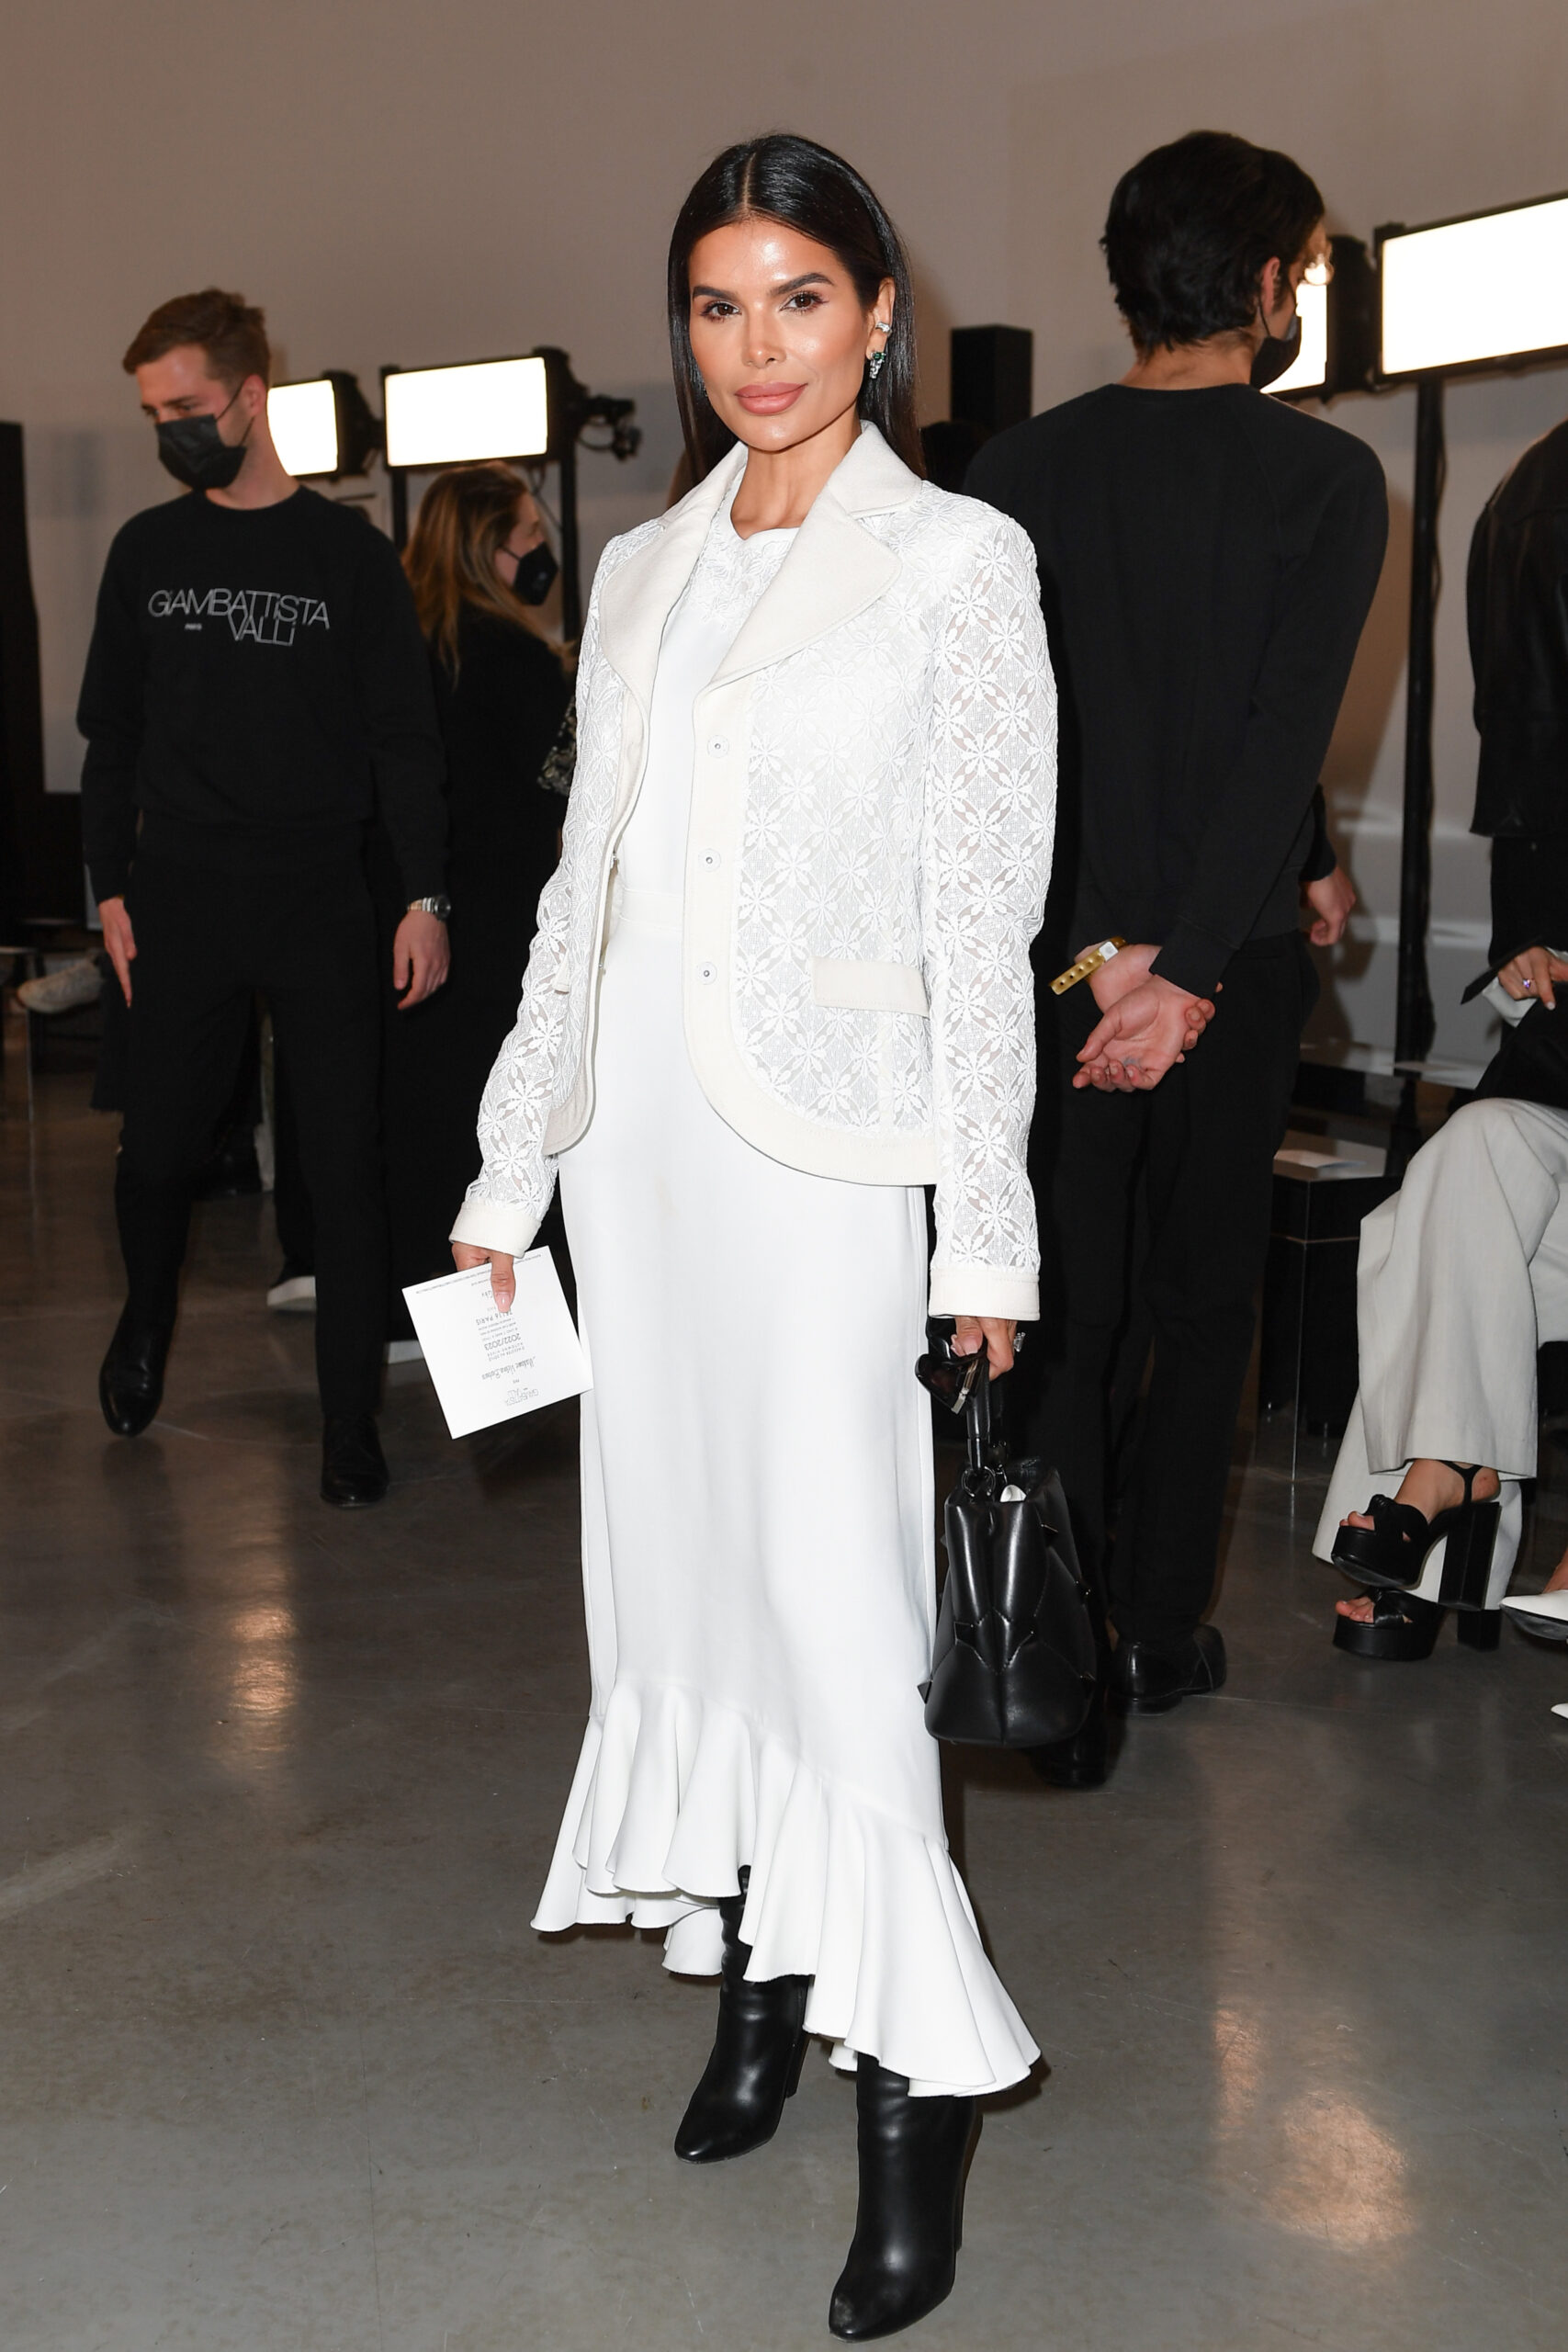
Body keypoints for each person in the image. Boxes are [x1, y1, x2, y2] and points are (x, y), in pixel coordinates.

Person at [451, 135, 1055, 2340]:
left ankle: (910, 2101)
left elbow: (977, 929)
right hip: (644, 1169)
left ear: (877, 310)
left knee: (834, 1620)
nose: (755, 349)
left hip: (824, 1175)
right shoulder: (635, 572)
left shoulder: (957, 563)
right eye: (715, 306)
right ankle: (751, 1991)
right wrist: (511, 1177)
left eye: (797, 298)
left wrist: (976, 1233)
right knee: (683, 1592)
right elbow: (573, 902)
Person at [967, 130, 1386, 1752]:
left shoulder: (1010, 474)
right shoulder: (1326, 478)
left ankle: (1045, 1649)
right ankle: (1153, 1631)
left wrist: (1114, 958)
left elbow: (1008, 754)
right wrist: (1199, 966)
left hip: (1059, 966)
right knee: (1206, 1297)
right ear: (1270, 283)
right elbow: (1272, 731)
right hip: (1218, 965)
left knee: (1062, 1296)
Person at [78, 288, 449, 1508]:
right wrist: (108, 891)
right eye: (152, 413)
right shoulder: (147, 551)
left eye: (184, 406)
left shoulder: (347, 555)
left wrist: (424, 895)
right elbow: (110, 740)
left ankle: (350, 1426)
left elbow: (404, 738)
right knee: (155, 1154)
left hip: (318, 898)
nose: (170, 429)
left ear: (249, 396)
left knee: (340, 1171)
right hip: (180, 894)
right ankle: (145, 1321)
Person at [1321, 411, 1568, 1690]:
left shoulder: (1524, 496)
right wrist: (1535, 959)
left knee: (1444, 1217)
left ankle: (1426, 1518)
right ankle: (1444, 1486)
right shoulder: (1535, 494)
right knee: (1461, 1162)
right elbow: (1526, 762)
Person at [378, 464, 572, 1331]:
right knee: (504, 1119)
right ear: (491, 550)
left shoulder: (403, 645)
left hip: (411, 915)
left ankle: (415, 1306)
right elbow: (568, 784)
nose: (541, 553)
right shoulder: (517, 657)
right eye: (531, 536)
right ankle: (510, 1324)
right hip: (505, 920)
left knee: (417, 1114)